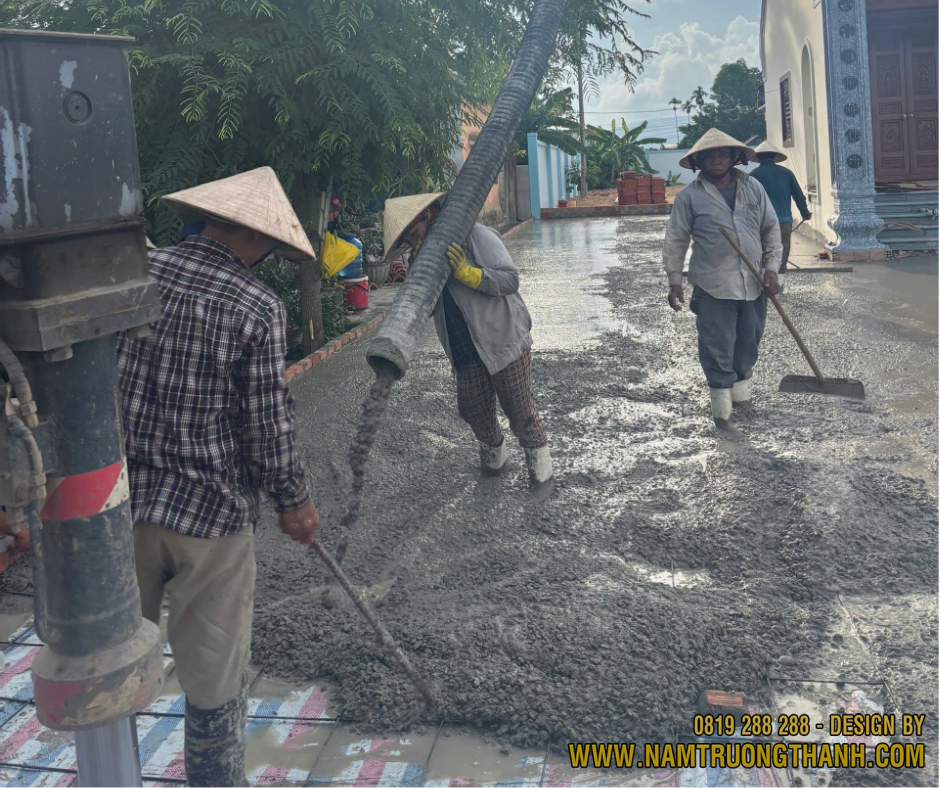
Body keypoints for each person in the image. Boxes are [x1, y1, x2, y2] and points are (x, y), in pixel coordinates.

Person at [117, 167, 320, 786]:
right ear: (258, 239)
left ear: (207, 218)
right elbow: (266, 423)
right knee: (213, 681)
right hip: (210, 519)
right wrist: (294, 501)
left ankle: (112, 765)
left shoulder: (137, 270)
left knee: (112, 662)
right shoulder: (255, 305)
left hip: (115, 507)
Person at [383, 193, 554, 497]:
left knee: (520, 412)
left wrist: (470, 275)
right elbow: (431, 308)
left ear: (430, 215)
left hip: (502, 338)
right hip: (464, 350)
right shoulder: (419, 259)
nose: (412, 242)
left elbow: (510, 280)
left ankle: (542, 481)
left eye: (414, 232)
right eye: (407, 239)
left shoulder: (475, 236)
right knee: (473, 409)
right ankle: (494, 466)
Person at [662, 129, 782, 434]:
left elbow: (770, 229)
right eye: (710, 155)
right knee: (718, 347)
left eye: (722, 154)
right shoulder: (689, 197)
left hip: (754, 283)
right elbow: (676, 239)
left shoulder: (753, 188)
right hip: (713, 285)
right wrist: (675, 279)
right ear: (699, 160)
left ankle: (742, 405)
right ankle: (723, 417)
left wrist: (772, 268)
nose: (716, 160)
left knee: (748, 344)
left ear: (734, 158)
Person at [749, 140, 811, 279]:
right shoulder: (786, 173)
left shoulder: (753, 175)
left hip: (762, 222)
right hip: (784, 221)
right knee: (783, 249)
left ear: (757, 158)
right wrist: (804, 213)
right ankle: (779, 279)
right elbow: (798, 196)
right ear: (775, 157)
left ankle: (765, 278)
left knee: (764, 250)